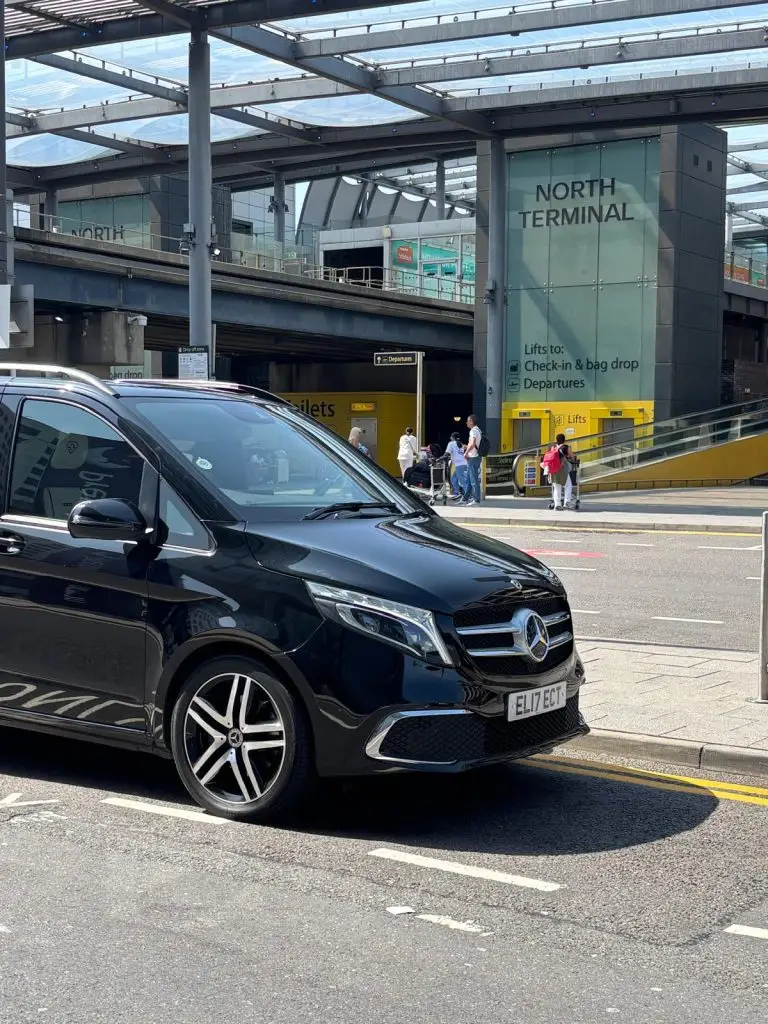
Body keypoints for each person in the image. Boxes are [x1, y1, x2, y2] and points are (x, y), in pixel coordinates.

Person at [542, 432, 576, 510]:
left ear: (556, 440)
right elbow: (572, 458)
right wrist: (571, 457)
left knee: (557, 487)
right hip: (562, 469)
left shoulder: (553, 447)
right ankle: (567, 502)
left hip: (553, 469)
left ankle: (557, 504)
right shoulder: (566, 447)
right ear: (564, 440)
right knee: (568, 485)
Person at [462, 414, 483, 505]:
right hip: (475, 456)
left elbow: (473, 443)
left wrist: (466, 453)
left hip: (473, 457)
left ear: (471, 421)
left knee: (473, 480)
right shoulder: (478, 430)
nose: (466, 422)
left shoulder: (473, 431)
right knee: (470, 480)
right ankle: (465, 498)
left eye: (468, 420)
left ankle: (476, 500)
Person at [446, 431, 468, 500]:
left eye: (451, 437)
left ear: (453, 437)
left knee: (462, 481)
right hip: (463, 463)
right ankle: (458, 493)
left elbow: (447, 453)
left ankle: (468, 496)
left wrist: (441, 457)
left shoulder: (451, 443)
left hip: (459, 465)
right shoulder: (460, 443)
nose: (450, 438)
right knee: (454, 479)